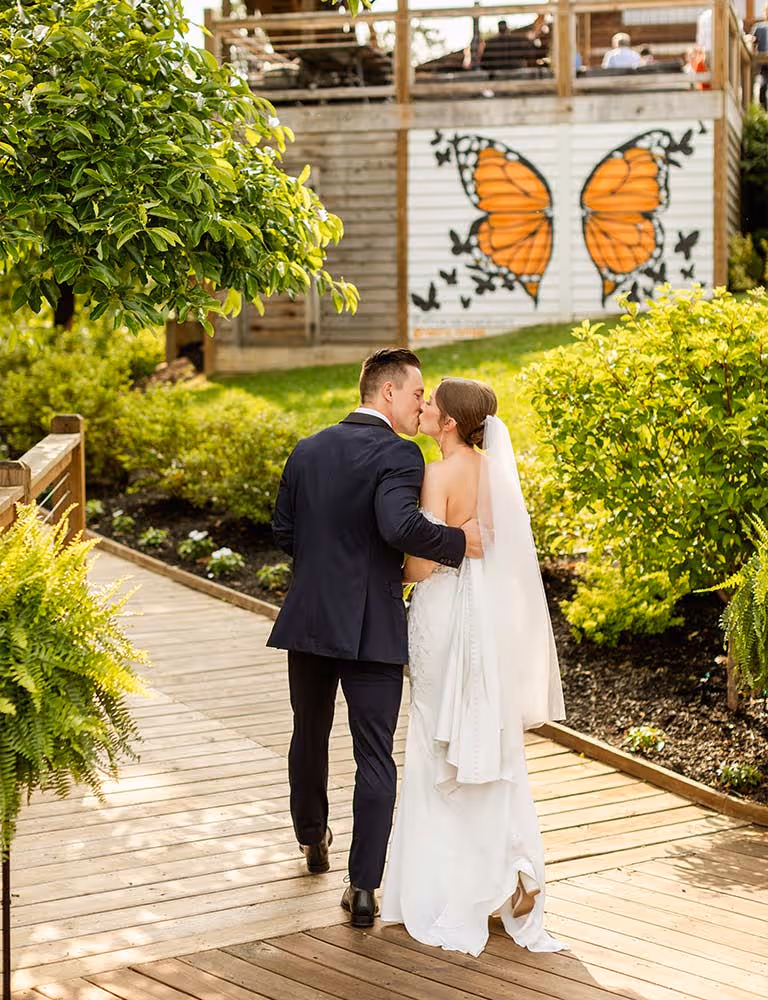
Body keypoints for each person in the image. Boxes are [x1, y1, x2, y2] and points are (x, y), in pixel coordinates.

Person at [267, 349, 482, 929]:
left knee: (308, 734)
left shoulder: (307, 448)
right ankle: (364, 887)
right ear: (387, 394)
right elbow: (398, 525)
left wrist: (322, 573)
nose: (422, 407)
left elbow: (284, 530)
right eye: (416, 395)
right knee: (374, 755)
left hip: (309, 622)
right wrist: (462, 545)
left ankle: (312, 837)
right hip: (372, 628)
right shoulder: (398, 452)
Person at [381, 377, 567, 957]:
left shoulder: (437, 474)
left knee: (438, 740)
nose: (424, 407)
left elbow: (418, 568)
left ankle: (444, 887)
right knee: (485, 733)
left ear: (451, 422)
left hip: (441, 614)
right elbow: (491, 548)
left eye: (431, 403)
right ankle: (506, 874)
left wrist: (401, 557)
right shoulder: (493, 470)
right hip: (482, 620)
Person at [753, 5, 768, 110]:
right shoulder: (759, 28)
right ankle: (764, 113)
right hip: (763, 67)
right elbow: (752, 41)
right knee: (762, 87)